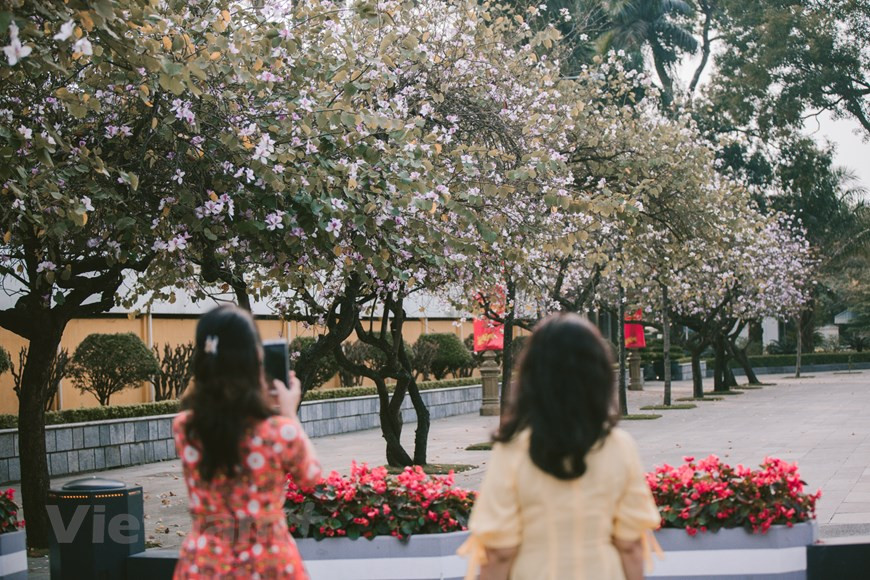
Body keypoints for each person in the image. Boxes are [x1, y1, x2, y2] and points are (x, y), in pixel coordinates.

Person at [460, 313, 661, 580]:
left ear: (532, 376)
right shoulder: (619, 446)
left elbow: (499, 552)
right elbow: (631, 546)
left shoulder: (512, 449)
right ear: (598, 375)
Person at [173, 305, 321, 579]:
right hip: (268, 563)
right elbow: (311, 478)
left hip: (205, 564)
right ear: (256, 358)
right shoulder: (279, 432)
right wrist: (289, 414)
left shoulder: (185, 428)